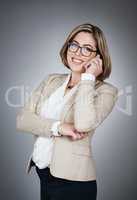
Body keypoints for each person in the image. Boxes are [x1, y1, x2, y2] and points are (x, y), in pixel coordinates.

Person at [16, 23, 119, 200]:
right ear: (67, 46)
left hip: (73, 183)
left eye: (87, 49)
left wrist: (88, 79)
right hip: (43, 175)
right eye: (74, 45)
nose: (78, 53)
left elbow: (83, 124)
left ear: (98, 57)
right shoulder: (51, 81)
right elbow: (23, 120)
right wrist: (59, 127)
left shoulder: (106, 91)